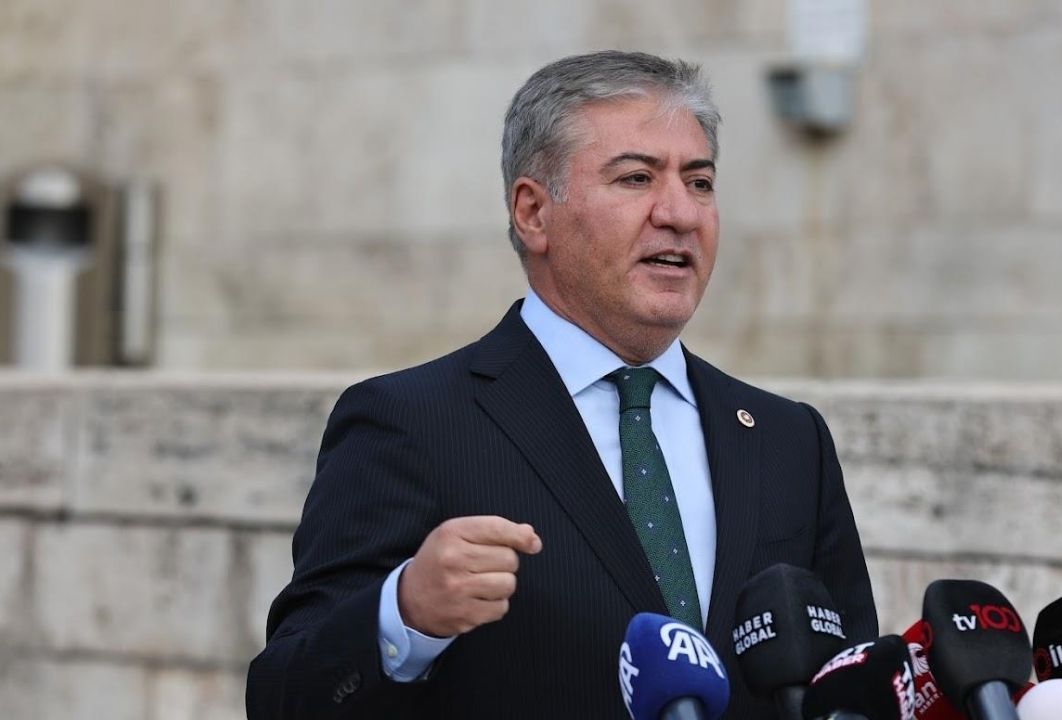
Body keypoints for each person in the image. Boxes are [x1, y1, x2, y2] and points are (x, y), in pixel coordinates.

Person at [246, 50, 877, 718]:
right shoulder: (411, 422)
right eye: (636, 178)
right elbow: (284, 696)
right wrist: (404, 615)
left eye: (700, 182)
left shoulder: (788, 438)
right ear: (533, 213)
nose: (680, 213)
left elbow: (852, 681)